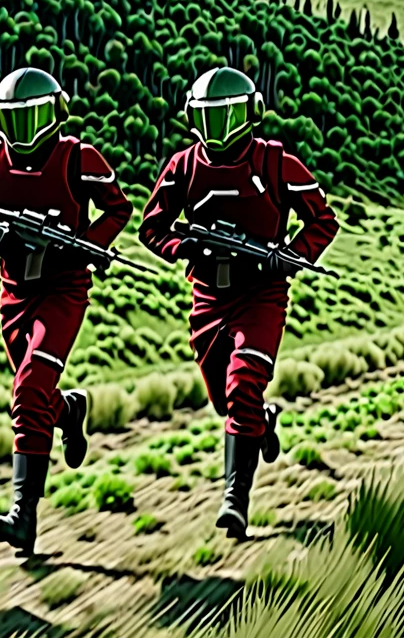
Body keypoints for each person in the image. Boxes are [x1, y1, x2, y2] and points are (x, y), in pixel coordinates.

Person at [139, 67, 339, 541]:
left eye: (227, 115)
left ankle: (236, 500)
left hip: (261, 296)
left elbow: (322, 221)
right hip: (208, 297)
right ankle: (259, 424)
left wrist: (290, 257)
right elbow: (152, 228)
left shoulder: (276, 162)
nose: (218, 127)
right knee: (226, 403)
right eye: (208, 116)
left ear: (249, 115)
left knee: (244, 384)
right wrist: (186, 248)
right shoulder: (183, 166)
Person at [0, 67, 132, 556]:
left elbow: (117, 210)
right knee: (38, 395)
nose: (23, 129)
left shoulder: (78, 158)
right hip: (14, 295)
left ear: (56, 114)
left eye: (33, 117)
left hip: (64, 291)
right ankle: (69, 411)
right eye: (13, 119)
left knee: (26, 391)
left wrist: (87, 245)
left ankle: (23, 515)